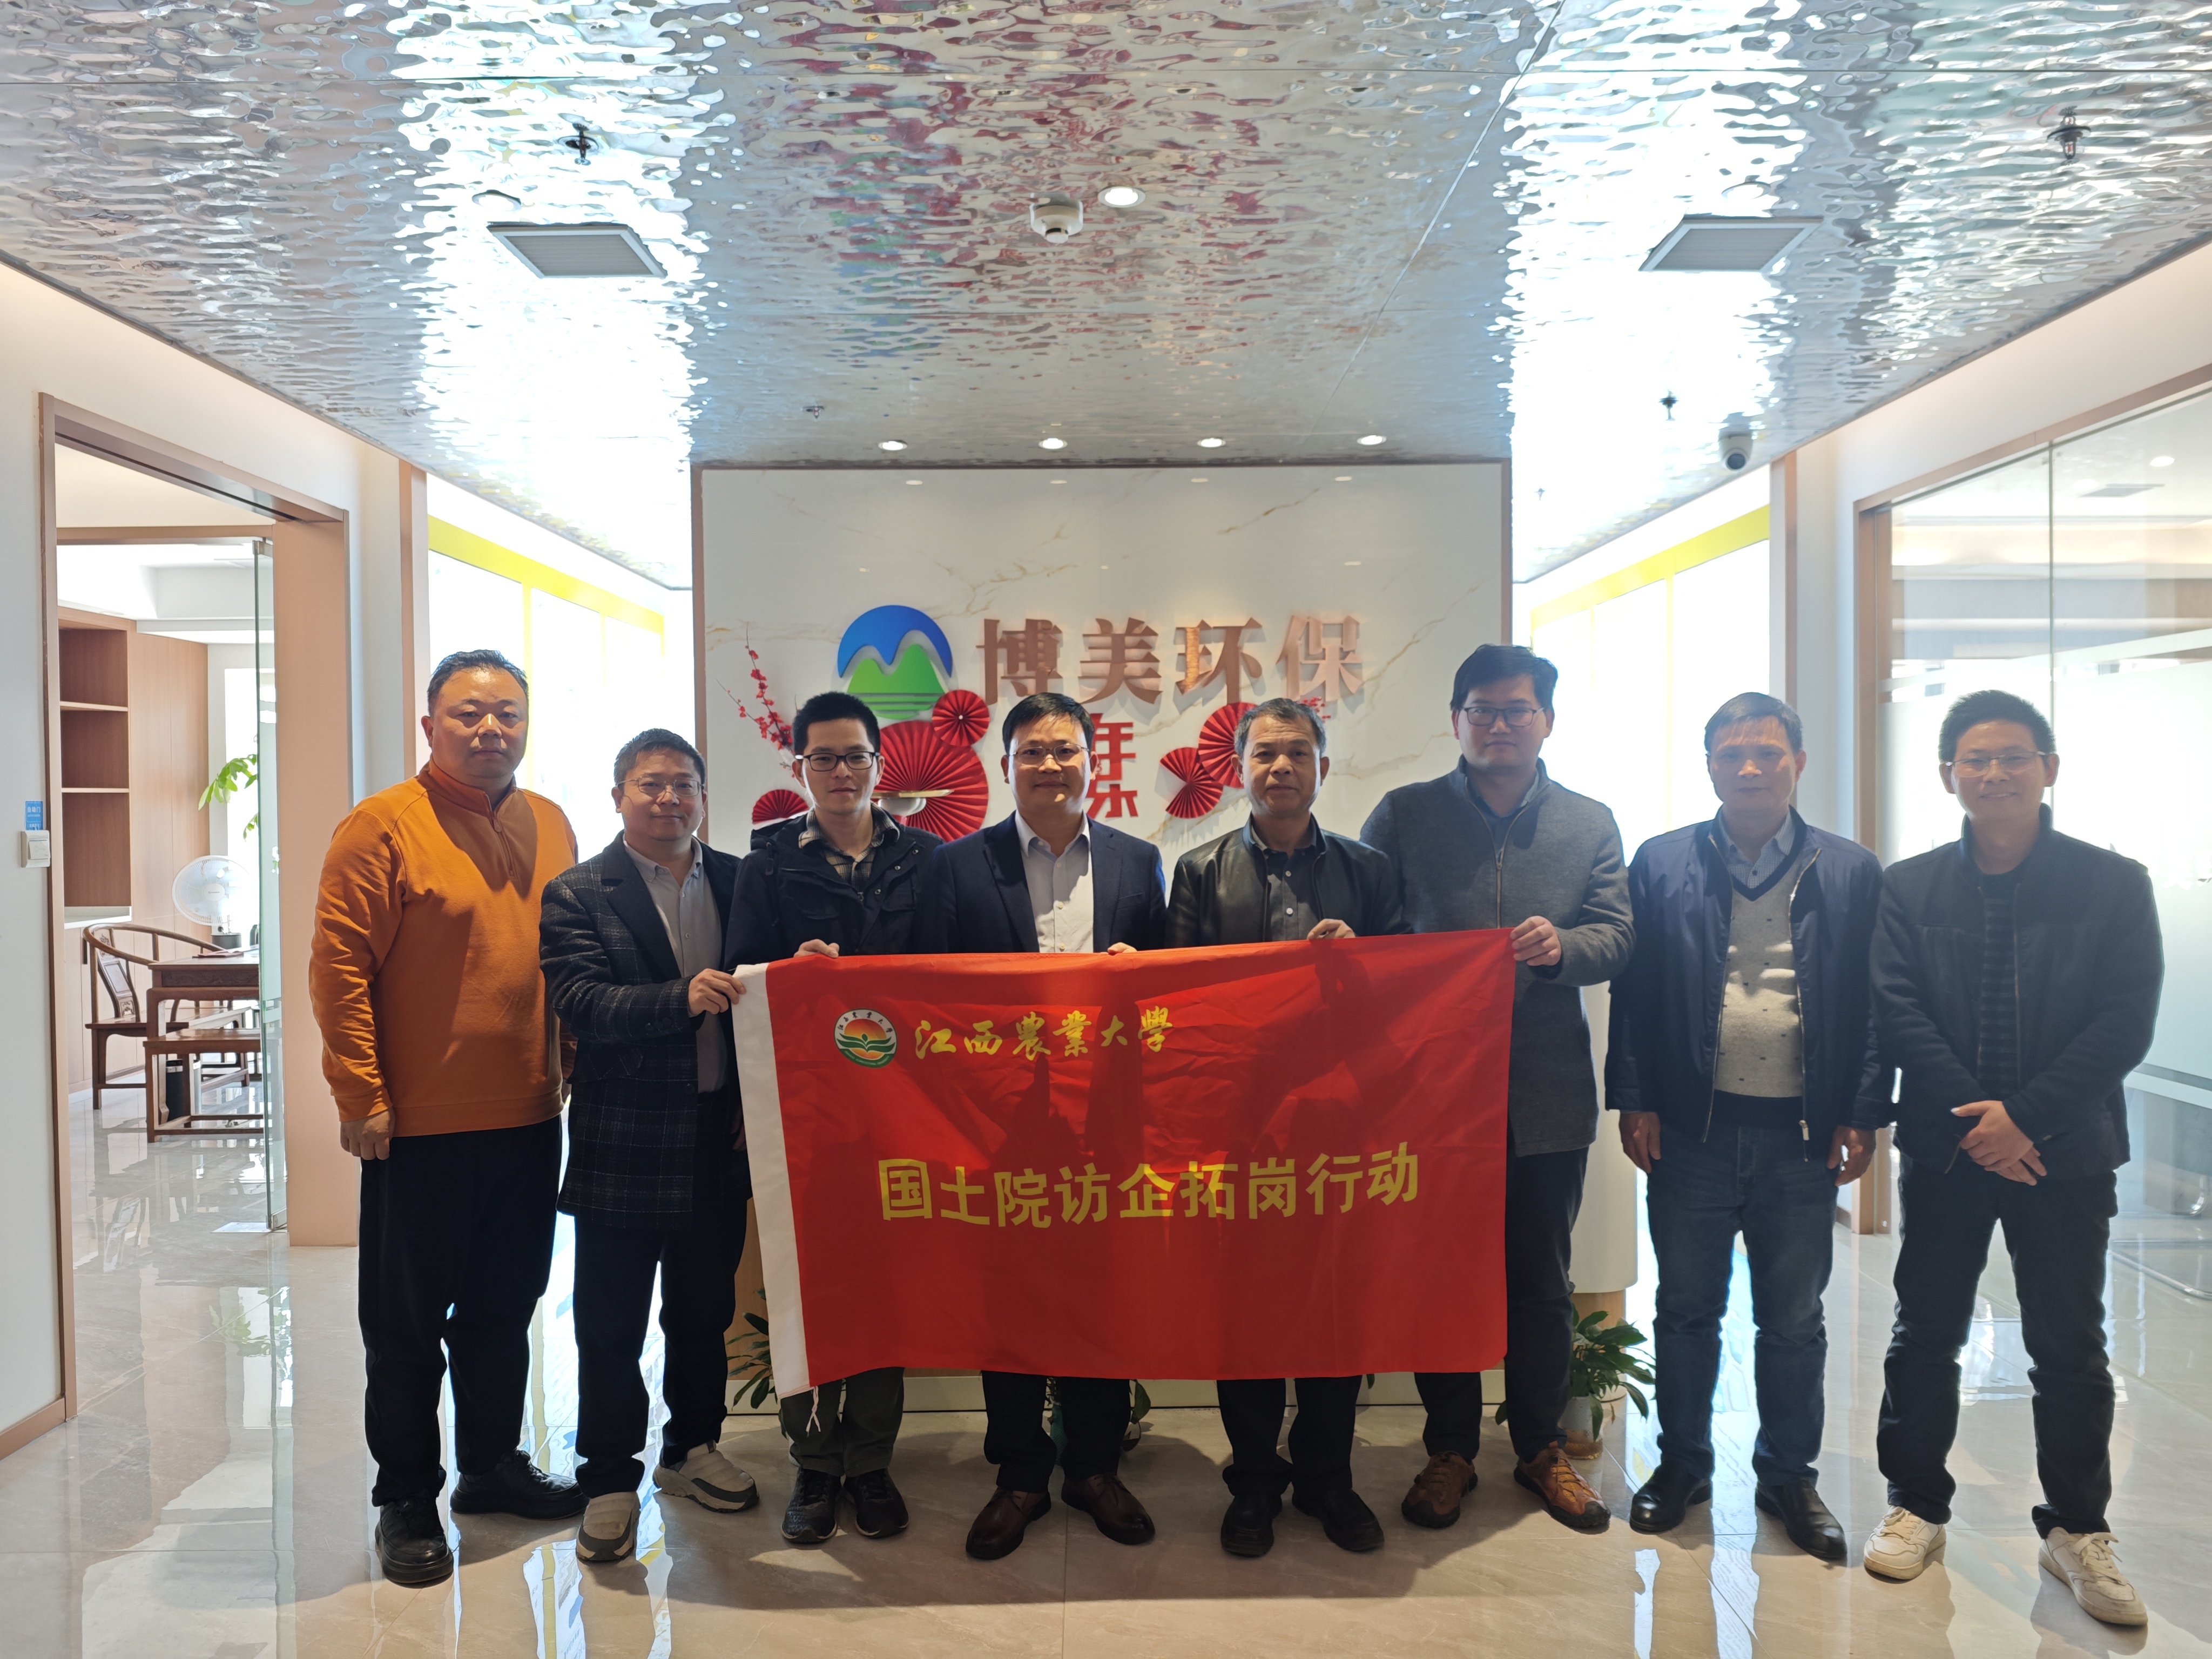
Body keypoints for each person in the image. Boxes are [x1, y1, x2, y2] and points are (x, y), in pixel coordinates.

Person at [1864, 690, 2162, 1627]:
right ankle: (1916, 1505)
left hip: (2067, 1153)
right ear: (1947, 774)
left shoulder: (2113, 884)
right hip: (1950, 1153)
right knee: (1926, 1331)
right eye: (1975, 760)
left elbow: (2125, 1021)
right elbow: (1897, 1008)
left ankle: (2077, 1528)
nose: (1994, 774)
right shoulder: (1910, 887)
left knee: (2069, 1345)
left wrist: (2024, 1119)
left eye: (2013, 757)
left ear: (2049, 769)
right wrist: (1979, 1124)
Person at [309, 649, 586, 1589]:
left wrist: (571, 1062)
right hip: (416, 1126)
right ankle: (405, 1497)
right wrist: (361, 1095)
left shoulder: (549, 821)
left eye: (508, 712)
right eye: (468, 713)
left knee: (505, 1310)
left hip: (527, 1114)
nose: (490, 729)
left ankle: (491, 1467)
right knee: (406, 1327)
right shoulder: (382, 825)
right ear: (430, 725)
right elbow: (338, 971)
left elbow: (565, 957)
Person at [1361, 642, 1633, 1534]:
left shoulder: (1589, 823)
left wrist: (1565, 949)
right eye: (1483, 710)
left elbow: (1618, 934)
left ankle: (1540, 1449)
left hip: (1544, 1095)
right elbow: (1371, 930)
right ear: (1456, 720)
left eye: (1518, 710)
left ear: (1547, 721)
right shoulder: (1403, 815)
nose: (1501, 725)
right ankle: (1449, 1450)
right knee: (1442, 1277)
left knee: (1540, 1283)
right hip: (1431, 1096)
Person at [1606, 692, 1883, 1559]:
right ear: (1711, 767)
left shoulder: (1850, 870)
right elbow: (1634, 993)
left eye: (1768, 752)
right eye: (1732, 754)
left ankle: (1788, 1476)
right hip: (1692, 1131)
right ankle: (1683, 1464)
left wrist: (1863, 1111)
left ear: (1798, 762)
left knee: (1793, 1319)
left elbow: (1875, 1005)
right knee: (1686, 1310)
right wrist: (1635, 1097)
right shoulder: (1662, 862)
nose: (1751, 768)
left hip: (1802, 1137)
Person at [918, 690, 1168, 1562]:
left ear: (1095, 762)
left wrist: (1144, 973)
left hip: (1108, 1122)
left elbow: (1171, 995)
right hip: (1002, 1125)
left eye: (1066, 751)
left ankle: (1094, 1467)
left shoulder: (1139, 862)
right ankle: (1020, 1472)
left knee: (1102, 1295)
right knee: (1011, 1301)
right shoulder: (957, 866)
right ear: (1007, 765)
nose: (1050, 765)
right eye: (1032, 751)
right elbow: (930, 995)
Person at [1165, 697, 1406, 1558]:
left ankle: (1328, 1478)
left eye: (1298, 753)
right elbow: (1177, 1003)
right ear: (1239, 770)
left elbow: (1412, 996)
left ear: (1322, 769)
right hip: (1238, 1132)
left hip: (1341, 1133)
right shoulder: (1198, 872)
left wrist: (1362, 962)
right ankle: (1255, 1483)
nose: (1281, 768)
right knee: (1247, 1313)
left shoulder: (1370, 871)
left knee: (1335, 1309)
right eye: (1264, 754)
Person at [725, 690, 941, 1547]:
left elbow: (952, 977)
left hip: (898, 1112)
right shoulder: (768, 864)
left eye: (856, 756)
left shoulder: (927, 860)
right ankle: (814, 1465)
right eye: (824, 758)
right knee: (803, 1284)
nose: (842, 771)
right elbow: (739, 977)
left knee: (884, 1287)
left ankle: (873, 1462)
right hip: (804, 1112)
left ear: (879, 764)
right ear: (800, 767)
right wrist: (790, 967)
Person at [540, 729, 759, 1566]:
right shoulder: (577, 892)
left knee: (703, 1312)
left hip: (718, 1133)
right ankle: (608, 1477)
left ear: (703, 796)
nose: (669, 798)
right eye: (651, 784)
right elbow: (581, 1001)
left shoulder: (742, 880)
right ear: (619, 796)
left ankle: (692, 1448)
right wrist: (682, 998)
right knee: (610, 1322)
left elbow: (767, 990)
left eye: (684, 784)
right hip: (625, 1137)